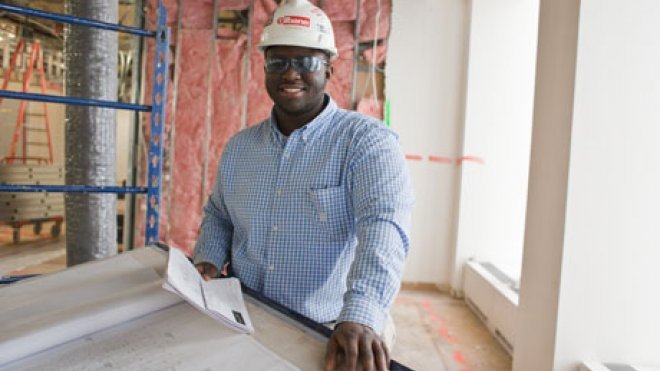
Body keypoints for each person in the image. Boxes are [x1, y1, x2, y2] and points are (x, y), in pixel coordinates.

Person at [193, 1, 414, 370]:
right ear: (265, 68)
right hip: (246, 315)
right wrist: (208, 262)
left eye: (306, 62)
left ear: (329, 67)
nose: (290, 73)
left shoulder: (366, 143)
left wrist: (361, 313)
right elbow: (219, 214)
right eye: (278, 62)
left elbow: (384, 229)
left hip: (330, 326)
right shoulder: (240, 148)